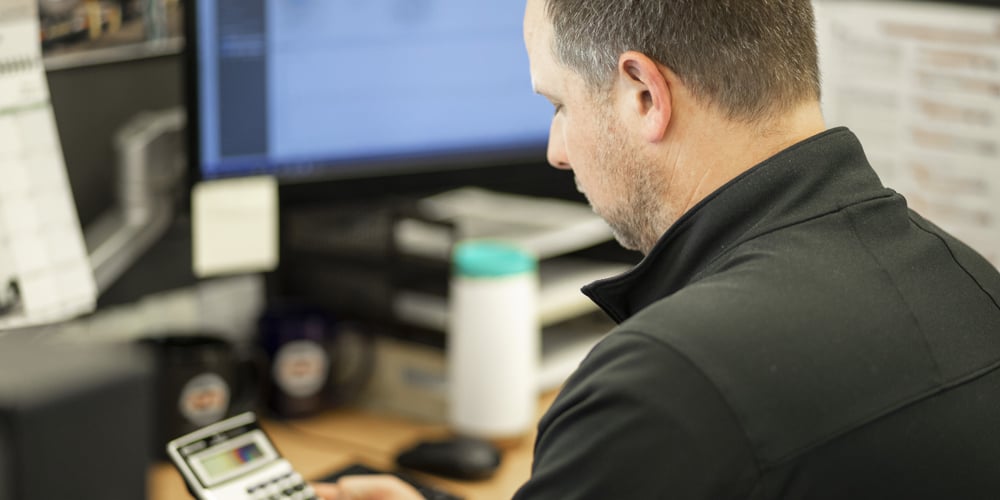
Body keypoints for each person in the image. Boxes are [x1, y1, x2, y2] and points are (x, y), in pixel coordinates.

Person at [315, 0, 1000, 498]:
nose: (556, 151)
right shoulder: (974, 284)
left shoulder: (663, 385)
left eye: (559, 105)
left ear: (645, 94)